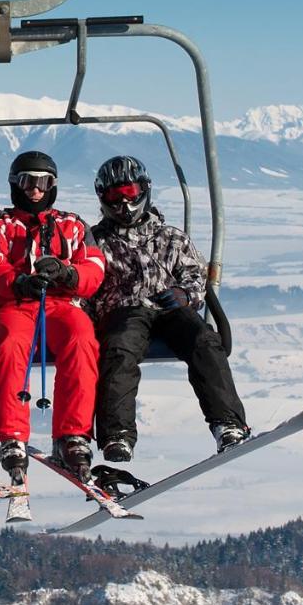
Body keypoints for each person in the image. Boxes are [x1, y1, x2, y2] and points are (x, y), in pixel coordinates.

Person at [88, 155, 249, 462]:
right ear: (103, 198)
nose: (123, 202)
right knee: (119, 351)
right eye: (114, 196)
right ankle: (117, 433)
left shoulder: (169, 237)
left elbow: (194, 276)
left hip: (170, 308)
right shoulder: (98, 242)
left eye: (130, 192)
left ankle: (227, 423)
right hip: (126, 311)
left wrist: (185, 295)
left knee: (203, 340)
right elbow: (88, 283)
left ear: (143, 191)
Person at [0, 150, 108, 480]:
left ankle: (72, 434)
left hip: (60, 304)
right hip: (14, 304)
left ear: (53, 186)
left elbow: (94, 266)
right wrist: (18, 282)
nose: (35, 189)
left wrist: (67, 274)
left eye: (43, 182)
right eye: (27, 181)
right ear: (14, 184)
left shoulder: (72, 225)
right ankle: (12, 435)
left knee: (81, 339)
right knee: (10, 343)